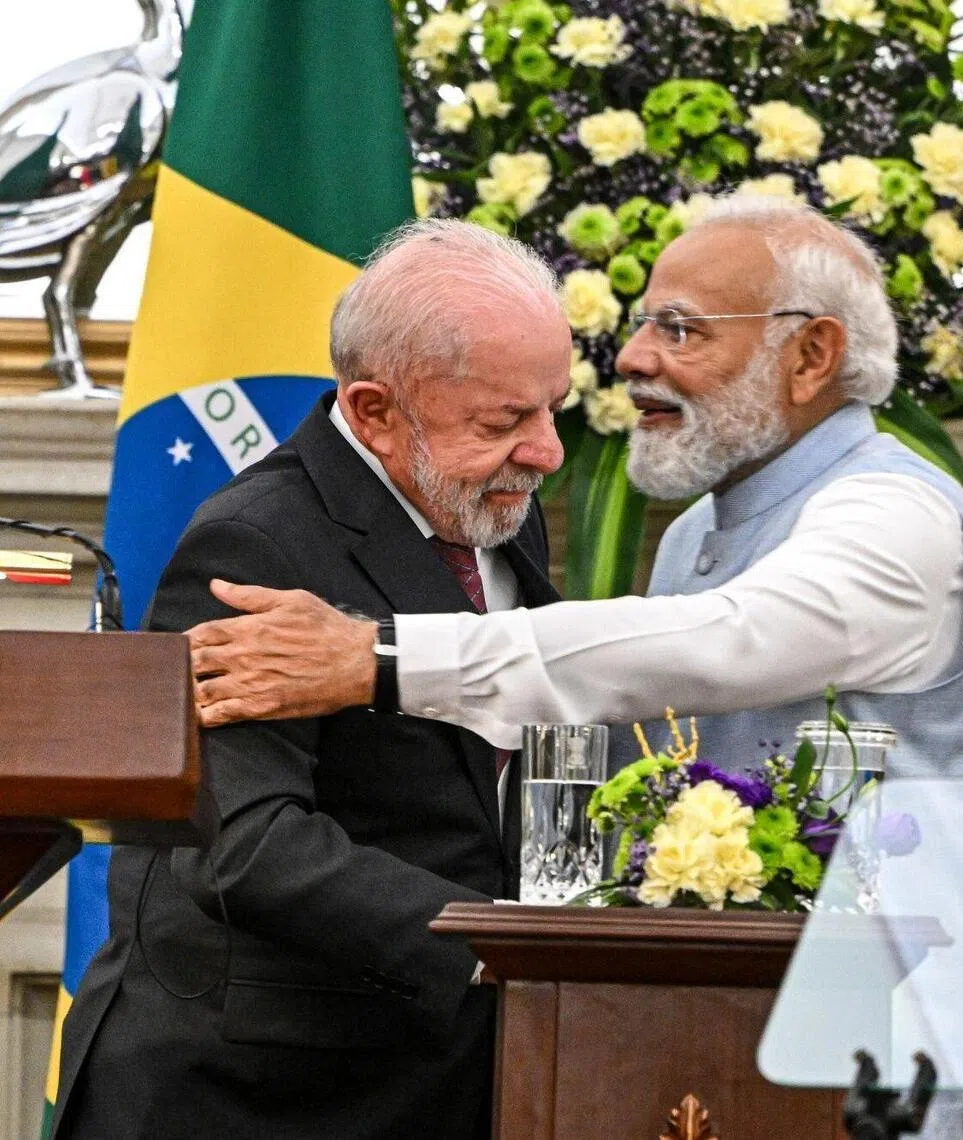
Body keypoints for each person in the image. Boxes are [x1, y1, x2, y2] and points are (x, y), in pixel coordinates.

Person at [190, 196, 963, 785]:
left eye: (680, 329)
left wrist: (380, 658)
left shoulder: (900, 512)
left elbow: (727, 643)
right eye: (644, 323)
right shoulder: (694, 532)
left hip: (895, 1006)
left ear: (811, 356)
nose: (632, 358)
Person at [51, 219, 570, 1140]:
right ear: (373, 411)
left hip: (439, 1066)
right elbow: (245, 841)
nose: (547, 452)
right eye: (504, 421)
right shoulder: (256, 541)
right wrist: (503, 944)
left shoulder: (494, 505)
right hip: (256, 1091)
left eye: (552, 409)